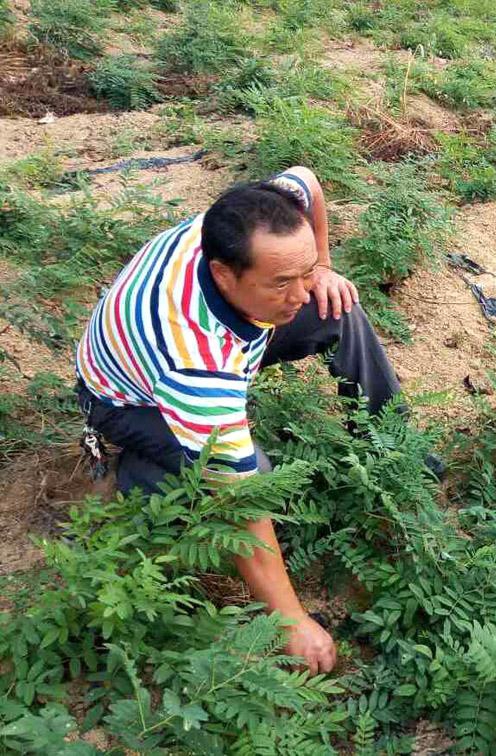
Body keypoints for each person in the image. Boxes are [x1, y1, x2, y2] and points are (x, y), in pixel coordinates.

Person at [75, 166, 410, 676]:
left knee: (336, 306)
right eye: (282, 283)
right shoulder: (195, 364)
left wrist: (320, 269)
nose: (299, 295)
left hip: (213, 338)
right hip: (126, 400)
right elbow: (244, 497)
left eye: (302, 272)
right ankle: (140, 476)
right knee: (256, 472)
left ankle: (395, 442)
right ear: (223, 274)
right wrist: (291, 619)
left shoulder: (253, 223)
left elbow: (306, 180)